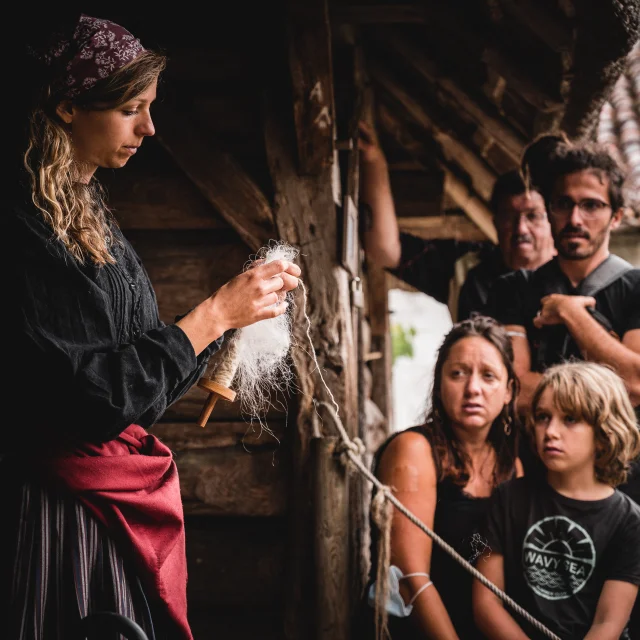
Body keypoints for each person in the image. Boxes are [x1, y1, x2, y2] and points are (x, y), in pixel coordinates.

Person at [1, 13, 301, 640]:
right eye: (132, 109)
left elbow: (137, 372)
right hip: (62, 503)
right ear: (66, 108)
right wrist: (213, 313)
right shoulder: (25, 226)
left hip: (101, 495)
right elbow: (100, 398)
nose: (149, 127)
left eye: (151, 107)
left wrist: (231, 318)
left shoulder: (83, 208)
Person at [357, 315, 522, 639]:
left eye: (488, 376)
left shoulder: (511, 465)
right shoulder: (414, 450)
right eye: (458, 373)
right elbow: (409, 580)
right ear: (439, 381)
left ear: (508, 391)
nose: (473, 388)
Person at [473, 361, 640, 640]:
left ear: (603, 433)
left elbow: (607, 624)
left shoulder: (630, 522)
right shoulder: (507, 498)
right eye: (542, 417)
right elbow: (486, 603)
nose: (550, 431)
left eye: (570, 419)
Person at [358, 121, 556, 321]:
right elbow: (385, 249)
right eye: (508, 217)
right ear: (495, 223)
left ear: (553, 222)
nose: (521, 228)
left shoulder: (574, 273)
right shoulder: (466, 266)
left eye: (533, 216)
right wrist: (373, 161)